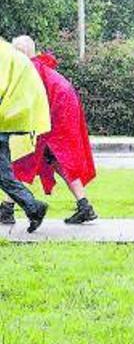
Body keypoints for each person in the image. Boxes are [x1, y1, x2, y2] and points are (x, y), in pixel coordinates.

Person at [0, 36, 97, 225]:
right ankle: (84, 206)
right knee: (58, 161)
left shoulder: (27, 71)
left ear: (20, 53)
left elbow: (24, 105)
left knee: (23, 161)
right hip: (62, 112)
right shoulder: (38, 68)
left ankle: (8, 209)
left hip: (55, 116)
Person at [0, 38, 51, 233]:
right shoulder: (7, 53)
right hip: (6, 121)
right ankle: (33, 207)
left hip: (3, 121)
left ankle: (33, 207)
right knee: (4, 175)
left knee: (4, 175)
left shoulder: (3, 56)